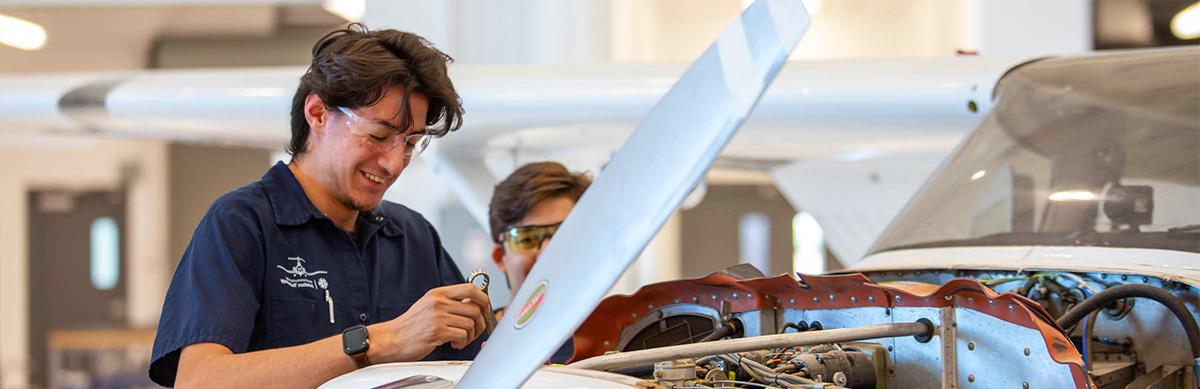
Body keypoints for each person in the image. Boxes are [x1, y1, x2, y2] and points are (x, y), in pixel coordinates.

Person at [148, 23, 490, 387]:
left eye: (409, 144)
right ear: (318, 114)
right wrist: (377, 342)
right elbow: (200, 380)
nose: (394, 164)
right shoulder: (242, 223)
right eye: (378, 136)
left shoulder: (412, 237)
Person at [487, 161, 591, 364]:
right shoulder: (469, 348)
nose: (547, 253)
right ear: (500, 257)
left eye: (564, 234)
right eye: (527, 239)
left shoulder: (618, 338)